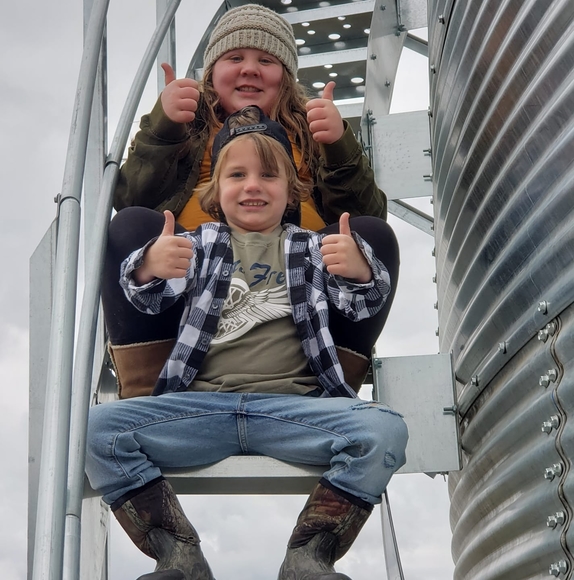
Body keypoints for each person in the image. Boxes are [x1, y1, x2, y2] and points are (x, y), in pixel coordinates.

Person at [86, 107, 408, 580]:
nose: (253, 185)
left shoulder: (312, 249)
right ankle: (176, 553)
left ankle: (310, 554)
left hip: (293, 410)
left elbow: (358, 307)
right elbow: (150, 301)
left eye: (268, 175)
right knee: (92, 430)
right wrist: (147, 267)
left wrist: (362, 274)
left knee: (386, 430)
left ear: (291, 190)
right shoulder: (198, 245)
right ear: (215, 190)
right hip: (199, 410)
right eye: (237, 175)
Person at [102, 3, 400, 398]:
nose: (250, 69)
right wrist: (163, 126)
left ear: (286, 77)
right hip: (192, 277)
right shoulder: (187, 125)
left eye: (266, 60)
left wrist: (338, 144)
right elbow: (130, 197)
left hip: (300, 281)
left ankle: (332, 380)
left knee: (373, 236)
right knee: (129, 226)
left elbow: (365, 214)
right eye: (235, 58)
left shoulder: (310, 131)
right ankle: (146, 385)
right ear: (211, 72)